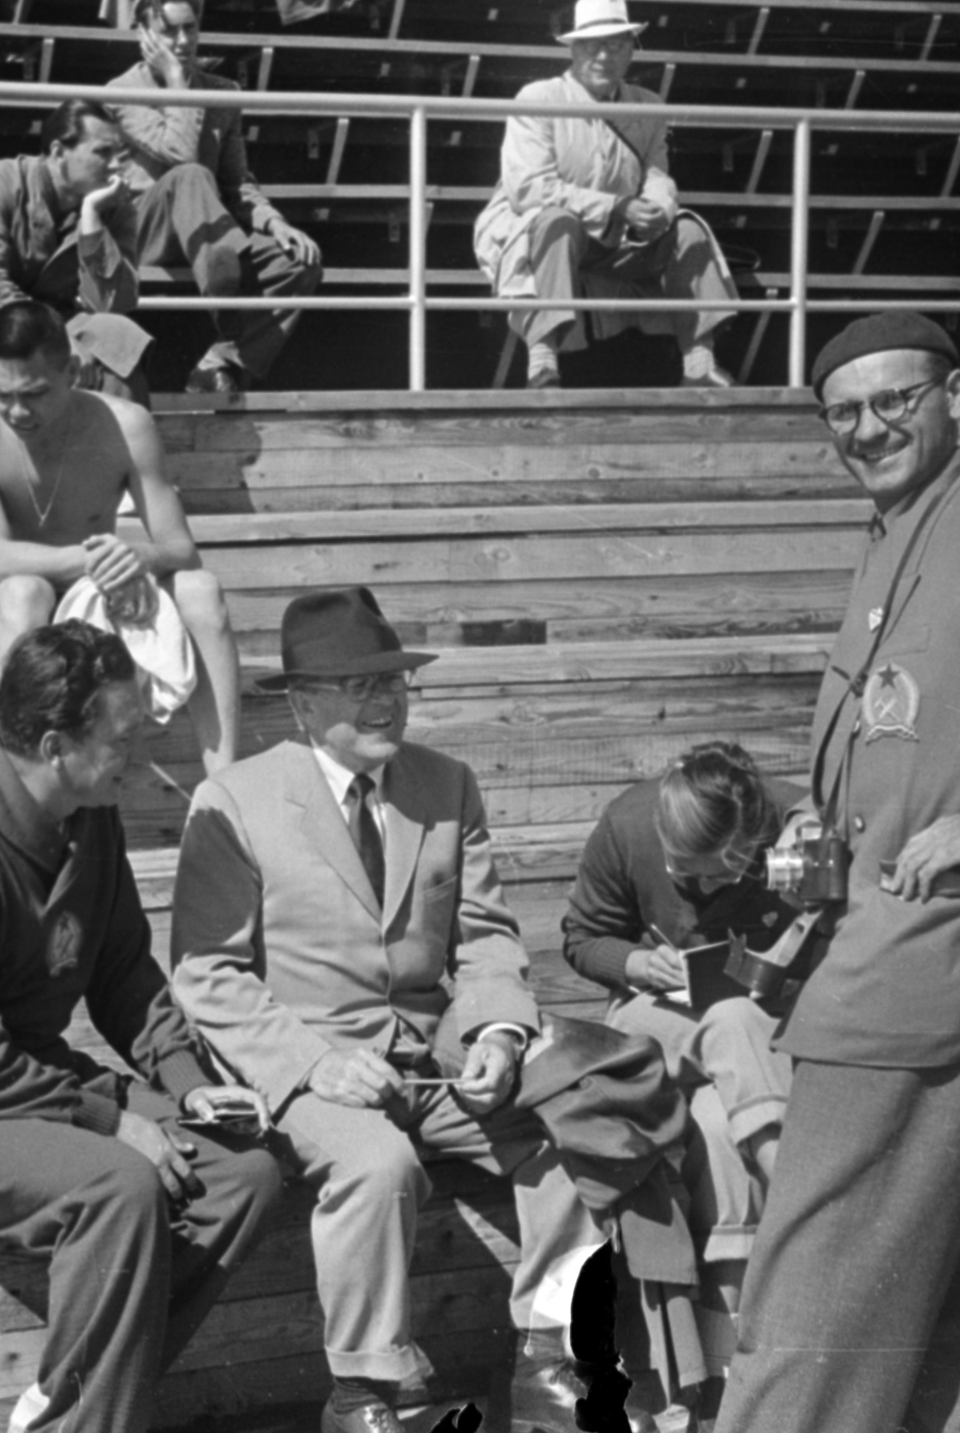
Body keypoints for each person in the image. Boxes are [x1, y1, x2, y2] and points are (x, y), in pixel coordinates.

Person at [0, 620, 284, 1433]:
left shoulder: (86, 810)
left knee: (245, 1177)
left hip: (19, 1073)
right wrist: (117, 1121)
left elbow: (122, 973)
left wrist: (189, 1087)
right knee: (121, 1185)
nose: (139, 762)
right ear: (54, 744)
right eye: (124, 740)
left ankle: (74, 1402)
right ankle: (88, 1416)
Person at [171, 587, 617, 1433]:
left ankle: (548, 1364)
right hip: (309, 1069)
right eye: (358, 686)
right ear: (302, 705)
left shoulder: (445, 784)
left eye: (395, 682)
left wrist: (494, 1030)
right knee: (380, 1167)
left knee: (572, 1127)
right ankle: (366, 1395)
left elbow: (485, 937)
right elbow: (207, 973)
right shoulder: (234, 801)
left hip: (433, 1063)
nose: (385, 701)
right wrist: (312, 1065)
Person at [714, 312, 960, 1433]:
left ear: (954, 395)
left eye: (894, 399)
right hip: (881, 942)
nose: (869, 425)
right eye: (843, 410)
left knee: (813, 1274)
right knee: (938, 1277)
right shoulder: (896, 526)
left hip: (922, 961)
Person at [561, 742, 798, 1398]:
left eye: (727, 873)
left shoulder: (793, 822)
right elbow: (583, 938)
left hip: (755, 1033)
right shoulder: (629, 823)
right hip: (650, 1021)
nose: (704, 890)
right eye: (687, 873)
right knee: (730, 1026)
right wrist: (636, 964)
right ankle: (795, 1187)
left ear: (755, 837)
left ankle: (726, 1366)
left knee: (717, 1127)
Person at [0, 299, 241, 773]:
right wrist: (102, 562)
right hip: (7, 609)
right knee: (25, 591)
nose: (17, 412)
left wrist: (142, 556)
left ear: (74, 372)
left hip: (101, 600)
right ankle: (14, 779)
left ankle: (225, 789)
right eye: (2, 394)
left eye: (34, 393)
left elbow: (183, 550)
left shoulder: (125, 425)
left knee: (202, 591)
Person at [473, 0, 737, 391]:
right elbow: (527, 190)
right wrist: (616, 206)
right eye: (592, 46)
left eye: (616, 45)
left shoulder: (648, 104)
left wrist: (658, 209)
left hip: (619, 238)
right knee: (556, 222)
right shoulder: (539, 98)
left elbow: (657, 173)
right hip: (543, 233)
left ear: (631, 51)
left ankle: (699, 360)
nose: (604, 56)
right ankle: (542, 363)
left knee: (687, 229)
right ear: (574, 50)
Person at [106, 0, 323, 393]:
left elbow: (237, 182)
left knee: (298, 261)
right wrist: (176, 80)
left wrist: (275, 225)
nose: (183, 41)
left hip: (208, 233)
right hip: (146, 230)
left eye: (191, 28)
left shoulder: (224, 92)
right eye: (169, 31)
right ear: (144, 35)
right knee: (190, 175)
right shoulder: (120, 92)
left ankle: (221, 359)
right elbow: (183, 154)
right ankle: (226, 317)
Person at [0, 99, 154, 406]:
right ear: (59, 153)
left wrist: (92, 219)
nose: (116, 165)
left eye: (119, 154)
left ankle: (121, 451)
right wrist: (51, 339)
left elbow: (112, 304)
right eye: (102, 152)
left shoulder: (114, 207)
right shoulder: (0, 180)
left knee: (116, 335)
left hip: (60, 321)